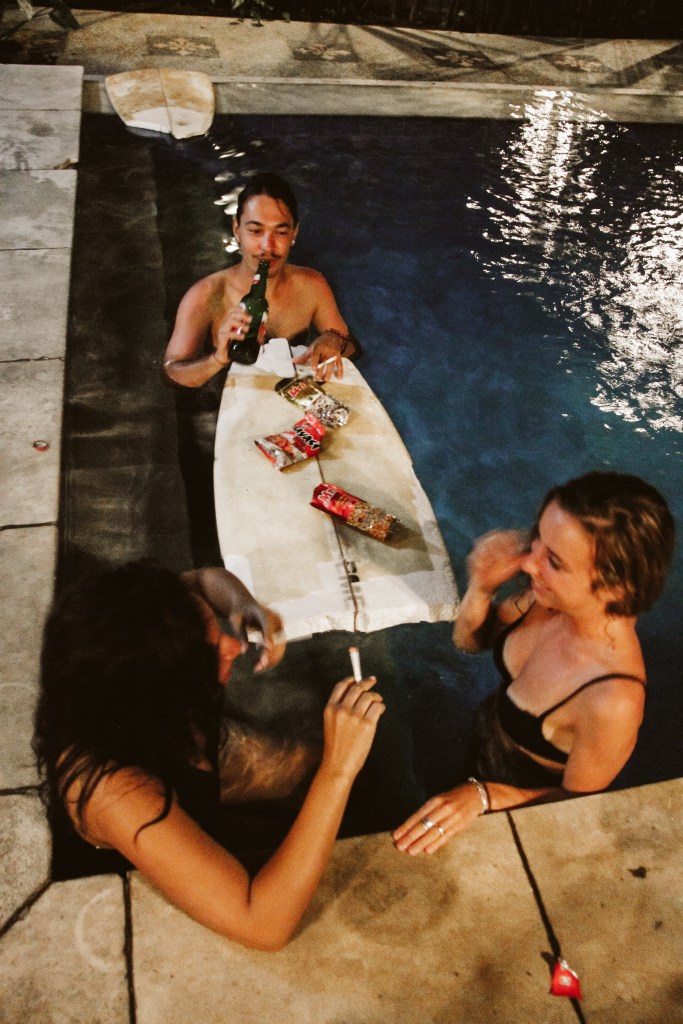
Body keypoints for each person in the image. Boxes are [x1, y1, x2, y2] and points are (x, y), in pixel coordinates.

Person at [34, 562, 385, 949]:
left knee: (353, 774)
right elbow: (262, 926)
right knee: (338, 778)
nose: (235, 646)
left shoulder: (140, 628)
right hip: (154, 797)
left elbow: (203, 580)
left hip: (188, 742)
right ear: (161, 682)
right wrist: (337, 770)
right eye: (211, 649)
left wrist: (242, 606)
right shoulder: (115, 792)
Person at [393, 470, 674, 855]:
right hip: (481, 745)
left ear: (613, 588)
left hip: (509, 804)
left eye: (554, 561)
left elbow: (577, 806)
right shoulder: (548, 601)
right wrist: (482, 587)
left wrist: (484, 796)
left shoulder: (611, 700)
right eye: (538, 540)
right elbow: (470, 643)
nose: (528, 565)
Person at [162, 173, 358, 388]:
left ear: (294, 233)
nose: (267, 246)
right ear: (237, 230)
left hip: (290, 393)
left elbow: (352, 348)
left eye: (280, 232)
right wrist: (217, 359)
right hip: (229, 399)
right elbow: (171, 373)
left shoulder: (312, 285)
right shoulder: (206, 294)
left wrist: (334, 341)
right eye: (255, 231)